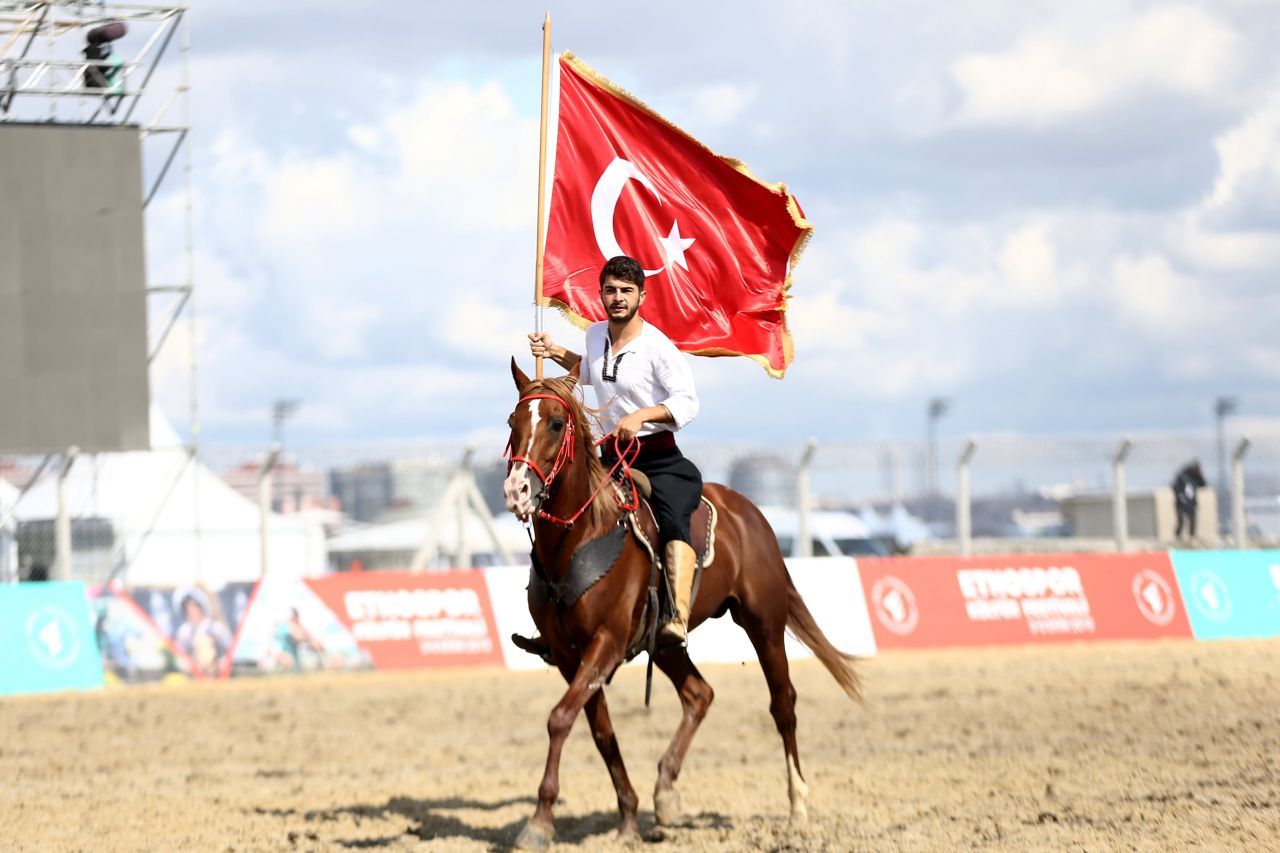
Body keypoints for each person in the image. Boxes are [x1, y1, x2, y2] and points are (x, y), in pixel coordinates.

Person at [520, 255, 703, 648]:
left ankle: (677, 615)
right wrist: (553, 351)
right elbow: (593, 371)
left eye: (626, 291)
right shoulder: (595, 334)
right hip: (607, 458)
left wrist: (642, 416)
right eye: (610, 291)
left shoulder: (658, 347)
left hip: (657, 458)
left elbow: (688, 403)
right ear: (601, 294)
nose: (617, 298)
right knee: (561, 510)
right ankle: (553, 619)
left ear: (641, 296)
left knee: (672, 519)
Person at [1171, 460, 1207, 540]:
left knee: (1193, 520)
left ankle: (1192, 536)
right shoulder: (1182, 476)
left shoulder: (1195, 477)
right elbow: (1175, 487)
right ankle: (1178, 536)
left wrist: (1200, 475)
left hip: (1191, 502)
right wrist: (1180, 496)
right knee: (1181, 520)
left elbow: (1203, 485)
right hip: (1181, 502)